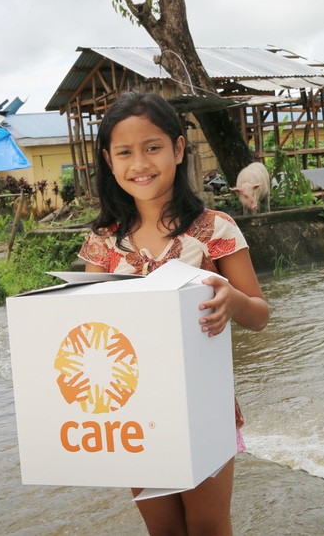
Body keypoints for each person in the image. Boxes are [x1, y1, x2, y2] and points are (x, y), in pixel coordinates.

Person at [78, 91, 269, 536]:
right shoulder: (103, 243)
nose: (140, 163)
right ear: (109, 161)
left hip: (204, 404)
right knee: (162, 529)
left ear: (178, 150)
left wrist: (232, 301)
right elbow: (88, 333)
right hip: (130, 410)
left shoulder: (214, 228)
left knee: (207, 526)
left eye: (153, 147)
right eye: (125, 152)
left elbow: (259, 314)